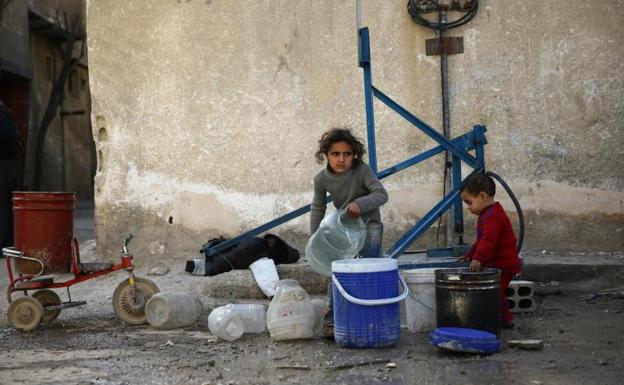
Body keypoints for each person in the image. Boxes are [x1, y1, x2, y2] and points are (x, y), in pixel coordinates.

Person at [310, 128, 388, 338]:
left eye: (347, 154)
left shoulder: (362, 171)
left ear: (354, 155)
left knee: (368, 271)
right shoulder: (321, 179)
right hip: (343, 230)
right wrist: (315, 238)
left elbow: (381, 194)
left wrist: (359, 205)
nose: (341, 159)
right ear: (326, 155)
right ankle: (333, 321)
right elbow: (317, 207)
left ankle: (369, 318)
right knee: (336, 272)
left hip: (370, 225)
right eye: (335, 154)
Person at [459, 171, 521, 329]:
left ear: (482, 196)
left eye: (469, 202)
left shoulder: (493, 216)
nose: (468, 208)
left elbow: (488, 241)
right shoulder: (487, 214)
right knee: (492, 292)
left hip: (504, 264)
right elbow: (481, 241)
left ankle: (505, 320)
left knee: (494, 292)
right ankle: (497, 318)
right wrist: (470, 255)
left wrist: (478, 258)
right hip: (496, 263)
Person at [0, 101, 20, 250]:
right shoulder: (6, 115)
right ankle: (9, 243)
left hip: (4, 165)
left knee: (3, 205)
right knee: (7, 204)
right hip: (10, 164)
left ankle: (4, 244)